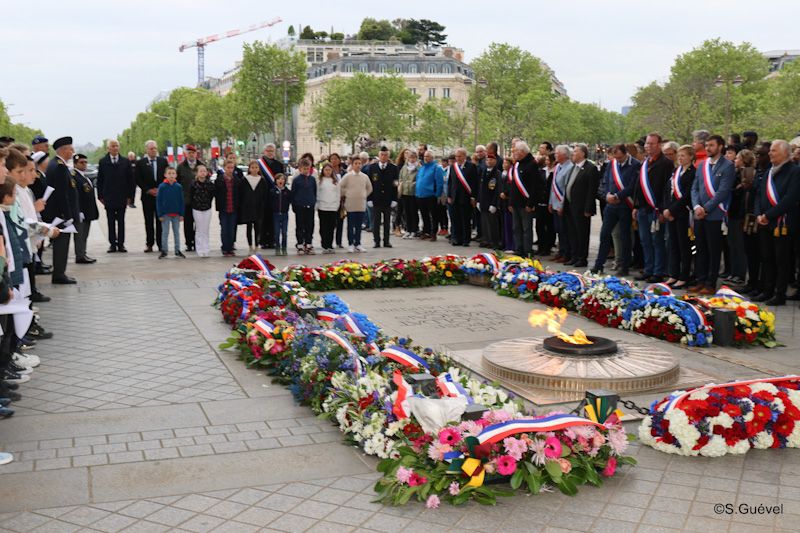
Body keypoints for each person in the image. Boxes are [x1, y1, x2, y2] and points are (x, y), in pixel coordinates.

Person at [752, 140, 800, 305]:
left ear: (785, 153)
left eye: (774, 151)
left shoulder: (795, 172)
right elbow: (759, 195)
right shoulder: (768, 172)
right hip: (765, 222)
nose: (770, 153)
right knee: (766, 258)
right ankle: (767, 290)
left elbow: (790, 198)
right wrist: (758, 214)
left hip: (783, 223)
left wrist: (768, 215)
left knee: (782, 260)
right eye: (770, 150)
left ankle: (779, 294)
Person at [689, 134, 736, 295]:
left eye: (711, 145)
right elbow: (694, 188)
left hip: (714, 214)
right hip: (699, 214)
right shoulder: (702, 165)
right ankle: (700, 280)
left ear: (720, 147)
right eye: (707, 145)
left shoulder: (728, 166)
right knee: (700, 249)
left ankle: (710, 283)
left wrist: (706, 209)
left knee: (713, 250)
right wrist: (697, 206)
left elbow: (723, 192)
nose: (708, 148)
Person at [592, 144, 639, 275]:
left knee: (625, 236)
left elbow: (633, 185)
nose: (617, 160)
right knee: (605, 234)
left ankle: (624, 266)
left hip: (625, 205)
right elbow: (606, 181)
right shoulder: (611, 164)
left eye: (620, 157)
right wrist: (607, 194)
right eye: (615, 157)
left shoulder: (635, 165)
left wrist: (618, 196)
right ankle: (598, 264)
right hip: (611, 205)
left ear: (625, 153)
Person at [632, 133, 672, 282]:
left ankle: (658, 271)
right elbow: (638, 186)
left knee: (657, 241)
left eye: (652, 143)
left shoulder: (666, 163)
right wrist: (636, 205)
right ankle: (648, 269)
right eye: (647, 143)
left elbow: (667, 189)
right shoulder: (645, 162)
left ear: (659, 145)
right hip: (642, 208)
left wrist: (662, 209)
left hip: (656, 209)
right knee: (645, 241)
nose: (648, 146)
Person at [41, 136, 77, 284]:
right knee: (62, 244)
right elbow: (62, 194)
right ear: (64, 150)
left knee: (60, 244)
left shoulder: (54, 164)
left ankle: (60, 273)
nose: (73, 152)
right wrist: (67, 215)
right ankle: (59, 274)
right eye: (71, 149)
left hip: (57, 213)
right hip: (60, 214)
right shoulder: (60, 166)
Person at [662, 145, 696, 288]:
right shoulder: (676, 171)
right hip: (671, 214)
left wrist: (672, 210)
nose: (680, 158)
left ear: (691, 157)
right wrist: (666, 209)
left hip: (683, 213)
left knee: (684, 246)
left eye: (683, 155)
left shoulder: (693, 173)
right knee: (673, 245)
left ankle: (684, 276)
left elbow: (687, 195)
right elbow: (667, 191)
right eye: (679, 155)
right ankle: (673, 274)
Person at [562, 144, 599, 267]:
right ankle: (574, 256)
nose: (573, 154)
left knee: (582, 233)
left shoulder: (590, 168)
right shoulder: (574, 167)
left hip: (582, 208)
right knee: (572, 233)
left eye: (575, 151)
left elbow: (591, 190)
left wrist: (588, 208)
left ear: (583, 153)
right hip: (570, 206)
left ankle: (582, 258)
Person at [724, 149, 755, 285]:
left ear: (743, 160)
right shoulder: (735, 173)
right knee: (732, 244)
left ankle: (740, 274)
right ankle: (733, 272)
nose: (735, 160)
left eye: (737, 158)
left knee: (739, 246)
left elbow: (743, 193)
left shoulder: (747, 173)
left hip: (740, 214)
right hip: (732, 212)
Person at [96, 139, 133, 253]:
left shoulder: (125, 161)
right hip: (109, 197)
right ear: (108, 148)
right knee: (110, 221)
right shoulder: (103, 162)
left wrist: (130, 197)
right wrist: (100, 196)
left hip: (122, 196)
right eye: (113, 146)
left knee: (121, 221)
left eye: (117, 146)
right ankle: (112, 244)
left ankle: (121, 244)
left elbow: (131, 180)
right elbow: (100, 180)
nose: (115, 148)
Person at [507, 142, 540, 257]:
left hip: (526, 203)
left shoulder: (532, 164)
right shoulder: (517, 164)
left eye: (516, 150)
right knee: (516, 228)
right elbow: (513, 186)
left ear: (523, 152)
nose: (514, 153)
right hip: (515, 203)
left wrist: (531, 203)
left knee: (526, 228)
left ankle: (527, 250)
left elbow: (535, 186)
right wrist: (510, 202)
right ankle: (519, 248)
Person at [135, 140, 168, 253]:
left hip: (161, 196)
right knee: (148, 221)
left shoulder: (163, 161)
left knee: (160, 221)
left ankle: (161, 244)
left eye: (155, 148)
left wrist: (160, 189)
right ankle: (149, 243)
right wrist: (148, 190)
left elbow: (167, 176)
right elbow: (138, 179)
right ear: (146, 150)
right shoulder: (141, 163)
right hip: (147, 197)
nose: (153, 150)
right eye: (151, 148)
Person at [367, 147, 399, 248]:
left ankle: (386, 241)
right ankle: (376, 241)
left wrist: (394, 199)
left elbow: (395, 184)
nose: (384, 157)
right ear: (379, 155)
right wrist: (369, 198)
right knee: (376, 222)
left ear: (388, 156)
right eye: (382, 155)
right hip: (376, 199)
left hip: (388, 199)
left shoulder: (393, 168)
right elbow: (369, 184)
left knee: (387, 222)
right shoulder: (372, 168)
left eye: (386, 155)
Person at [340, 158, 372, 253]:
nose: (358, 165)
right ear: (352, 164)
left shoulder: (365, 177)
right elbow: (340, 186)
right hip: (350, 204)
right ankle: (350, 244)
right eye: (356, 163)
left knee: (358, 226)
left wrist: (364, 195)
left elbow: (369, 188)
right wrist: (346, 193)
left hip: (361, 204)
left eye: (359, 163)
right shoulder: (347, 176)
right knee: (350, 226)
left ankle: (358, 243)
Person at [72, 153, 98, 264]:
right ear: (75, 164)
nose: (84, 164)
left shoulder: (83, 176)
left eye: (85, 162)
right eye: (81, 162)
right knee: (80, 235)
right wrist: (78, 211)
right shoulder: (74, 176)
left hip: (87, 211)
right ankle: (80, 255)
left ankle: (83, 253)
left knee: (84, 235)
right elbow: (75, 196)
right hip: (81, 211)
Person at [548, 145, 573, 263]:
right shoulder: (558, 166)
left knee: (564, 230)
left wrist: (561, 205)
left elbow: (566, 188)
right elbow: (553, 187)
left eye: (557, 153)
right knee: (558, 229)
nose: (555, 155)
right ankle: (561, 251)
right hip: (554, 203)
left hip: (562, 205)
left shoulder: (570, 167)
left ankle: (566, 253)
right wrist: (550, 202)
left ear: (564, 155)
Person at [176, 144, 202, 251]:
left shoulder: (201, 165)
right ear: (186, 154)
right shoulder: (181, 167)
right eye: (189, 153)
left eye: (193, 153)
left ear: (196, 154)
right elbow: (177, 183)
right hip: (186, 200)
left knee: (199, 223)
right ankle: (189, 243)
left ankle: (197, 242)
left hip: (199, 200)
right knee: (188, 223)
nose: (191, 155)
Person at [257, 144, 283, 249]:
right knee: (263, 219)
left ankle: (273, 240)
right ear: (264, 152)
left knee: (274, 219)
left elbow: (282, 179)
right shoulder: (259, 164)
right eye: (268, 151)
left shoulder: (279, 165)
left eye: (272, 151)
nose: (270, 152)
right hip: (262, 195)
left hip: (275, 195)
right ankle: (263, 241)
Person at [156, 166, 185, 259]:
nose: (171, 175)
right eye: (169, 173)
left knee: (177, 233)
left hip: (176, 214)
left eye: (173, 173)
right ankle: (164, 250)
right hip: (165, 214)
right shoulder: (162, 186)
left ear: (176, 175)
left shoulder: (178, 186)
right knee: (165, 232)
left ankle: (177, 250)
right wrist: (160, 214)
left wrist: (181, 214)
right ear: (165, 175)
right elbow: (159, 201)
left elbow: (181, 201)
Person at [239, 161, 268, 252]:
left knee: (258, 228)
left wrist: (263, 205)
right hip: (247, 207)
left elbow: (265, 194)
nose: (254, 169)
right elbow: (241, 193)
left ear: (259, 169)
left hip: (258, 207)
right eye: (252, 167)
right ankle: (250, 245)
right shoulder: (245, 179)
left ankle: (257, 245)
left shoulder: (262, 180)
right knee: (249, 227)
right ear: (249, 169)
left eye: (256, 167)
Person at [415, 150, 444, 241]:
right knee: (424, 215)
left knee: (434, 215)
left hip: (431, 195)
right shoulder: (422, 168)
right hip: (420, 195)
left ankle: (433, 232)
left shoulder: (436, 168)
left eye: (427, 156)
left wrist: (437, 194)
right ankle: (426, 231)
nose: (425, 158)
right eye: (425, 156)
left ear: (432, 157)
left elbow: (439, 182)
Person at [291, 159, 317, 254]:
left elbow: (314, 191)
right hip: (300, 206)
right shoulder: (296, 180)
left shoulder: (312, 179)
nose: (306, 170)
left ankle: (308, 243)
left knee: (310, 225)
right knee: (300, 226)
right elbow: (293, 193)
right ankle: (300, 244)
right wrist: (294, 205)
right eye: (304, 169)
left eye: (308, 169)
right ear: (300, 169)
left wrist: (313, 202)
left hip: (310, 205)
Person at [214, 159, 239, 257]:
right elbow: (216, 194)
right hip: (223, 208)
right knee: (224, 229)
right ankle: (225, 248)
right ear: (224, 168)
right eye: (228, 167)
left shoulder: (236, 180)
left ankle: (230, 248)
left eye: (232, 168)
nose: (230, 169)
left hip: (233, 208)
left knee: (232, 229)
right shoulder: (219, 180)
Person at [478, 152, 502, 249]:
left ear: (495, 161)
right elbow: (480, 187)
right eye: (487, 160)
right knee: (484, 223)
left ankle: (494, 242)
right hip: (483, 201)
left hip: (491, 202)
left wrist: (494, 204)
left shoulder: (497, 173)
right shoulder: (483, 171)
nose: (488, 161)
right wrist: (478, 200)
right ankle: (486, 240)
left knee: (493, 224)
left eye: (491, 160)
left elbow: (497, 190)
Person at [190, 164, 214, 257]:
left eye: (204, 171)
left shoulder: (210, 184)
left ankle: (206, 249)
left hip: (207, 209)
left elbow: (211, 195)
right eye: (201, 171)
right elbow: (191, 195)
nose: (203, 173)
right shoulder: (193, 184)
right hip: (197, 209)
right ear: (197, 173)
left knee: (205, 229)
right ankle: (199, 249)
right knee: (199, 229)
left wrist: (208, 203)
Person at [316, 163, 340, 253]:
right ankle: (324, 245)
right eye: (326, 170)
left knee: (331, 227)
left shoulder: (335, 182)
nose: (328, 172)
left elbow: (338, 194)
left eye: (329, 170)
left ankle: (330, 245)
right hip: (322, 207)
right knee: (323, 227)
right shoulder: (320, 181)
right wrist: (317, 205)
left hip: (333, 207)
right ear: (323, 171)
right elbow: (317, 193)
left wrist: (337, 205)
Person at [398, 151, 419, 239]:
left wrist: (413, 183)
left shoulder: (419, 168)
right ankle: (408, 230)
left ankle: (414, 230)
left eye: (414, 157)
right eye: (410, 157)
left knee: (413, 212)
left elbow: (419, 179)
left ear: (416, 158)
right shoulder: (404, 167)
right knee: (406, 212)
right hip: (405, 192)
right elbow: (400, 177)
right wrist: (401, 185)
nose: (412, 159)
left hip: (414, 193)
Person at [269, 173, 290, 255]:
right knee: (277, 232)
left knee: (284, 232)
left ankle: (284, 248)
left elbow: (289, 201)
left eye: (282, 179)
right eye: (278, 179)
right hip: (276, 214)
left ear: (285, 181)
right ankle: (277, 247)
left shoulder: (287, 191)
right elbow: (270, 202)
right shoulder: (272, 191)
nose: (280, 181)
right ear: (275, 181)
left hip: (284, 214)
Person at [328, 153, 345, 247]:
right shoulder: (328, 172)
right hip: (331, 200)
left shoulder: (343, 172)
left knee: (340, 221)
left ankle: (339, 241)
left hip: (341, 200)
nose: (334, 160)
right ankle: (329, 241)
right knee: (331, 222)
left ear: (339, 160)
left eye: (336, 159)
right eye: (332, 159)